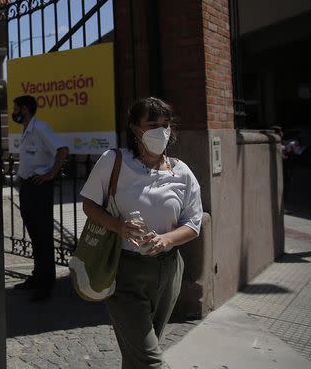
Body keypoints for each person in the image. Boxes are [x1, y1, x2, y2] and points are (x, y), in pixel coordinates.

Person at [81, 97, 203, 368]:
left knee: (139, 355)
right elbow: (89, 204)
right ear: (135, 128)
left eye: (165, 125)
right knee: (149, 360)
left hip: (168, 271)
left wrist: (166, 239)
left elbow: (193, 224)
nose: (161, 131)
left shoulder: (181, 172)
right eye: (152, 125)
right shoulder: (113, 161)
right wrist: (119, 227)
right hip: (125, 272)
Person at [11, 95, 69, 301]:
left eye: (16, 108)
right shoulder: (27, 129)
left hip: (39, 187)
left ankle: (46, 284)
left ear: (25, 109)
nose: (14, 112)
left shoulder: (40, 128)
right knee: (34, 234)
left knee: (43, 236)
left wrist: (50, 174)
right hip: (27, 186)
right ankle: (37, 277)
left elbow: (62, 150)